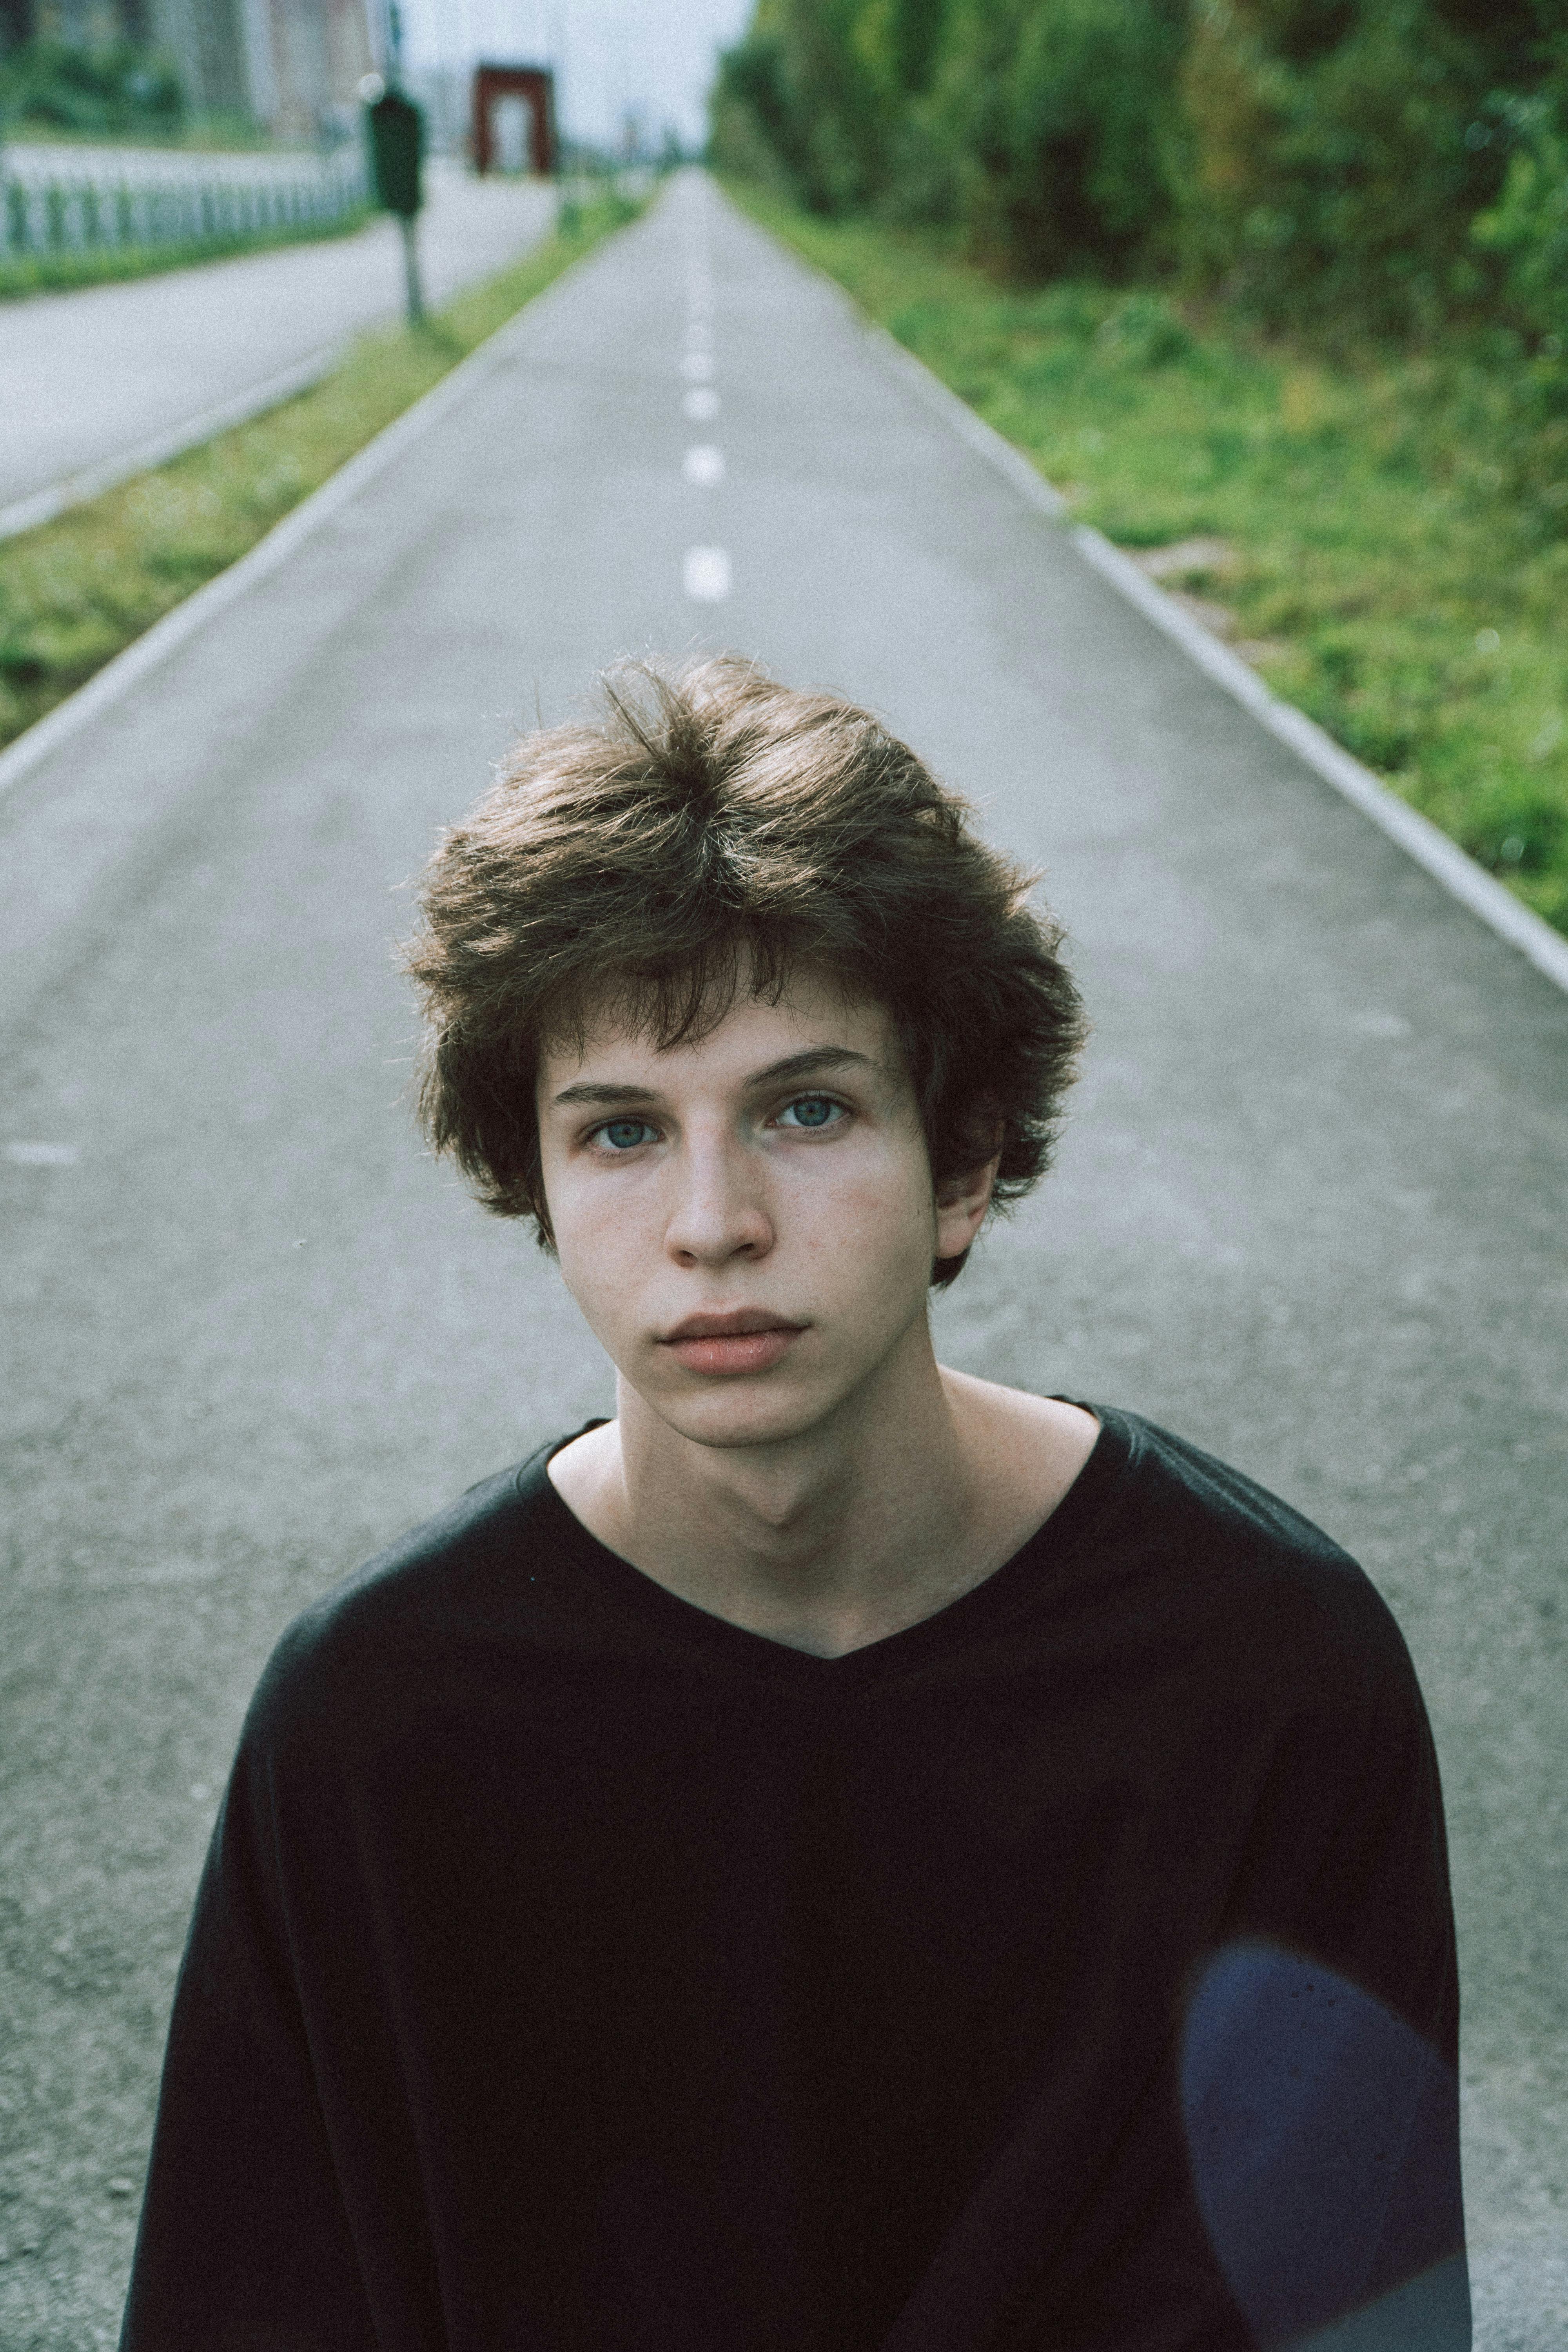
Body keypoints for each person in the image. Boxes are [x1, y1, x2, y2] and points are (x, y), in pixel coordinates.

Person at [121, 656, 1470, 2351]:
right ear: (529, 1179)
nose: (712, 1221)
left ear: (963, 1160)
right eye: (618, 1133)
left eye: (805, 1109)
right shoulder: (378, 1729)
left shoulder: (1263, 1667)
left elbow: (1355, 2312)